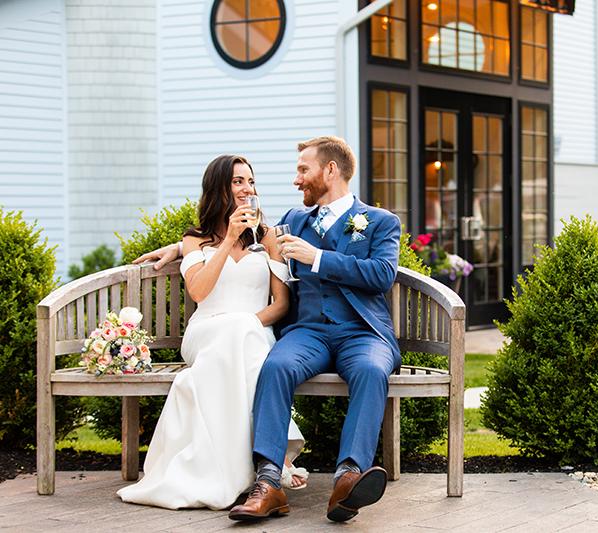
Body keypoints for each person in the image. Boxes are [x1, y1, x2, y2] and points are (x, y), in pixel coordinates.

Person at [135, 136, 402, 523]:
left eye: (302, 170)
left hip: (361, 332)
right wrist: (180, 248)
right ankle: (269, 482)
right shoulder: (294, 221)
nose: (296, 180)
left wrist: (319, 258)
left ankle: (348, 477)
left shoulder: (379, 222)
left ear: (330, 170)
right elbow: (242, 237)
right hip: (307, 332)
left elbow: (382, 275)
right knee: (275, 367)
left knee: (370, 370)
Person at [118, 154, 306, 511]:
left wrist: (246, 323)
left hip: (254, 330)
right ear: (218, 188)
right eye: (238, 182)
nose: (246, 189)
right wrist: (227, 239)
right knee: (235, 338)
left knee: (241, 336)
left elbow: (281, 304)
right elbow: (200, 292)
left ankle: (254, 467)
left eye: (250, 182)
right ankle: (273, 458)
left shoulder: (266, 237)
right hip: (206, 334)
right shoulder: (194, 240)